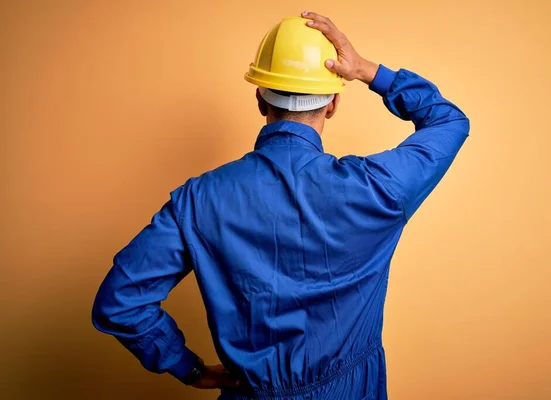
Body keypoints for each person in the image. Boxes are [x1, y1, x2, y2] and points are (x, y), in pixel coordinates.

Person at [92, 11, 469, 399]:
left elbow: (120, 301)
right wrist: (366, 70)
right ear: (333, 104)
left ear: (260, 99)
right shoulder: (377, 188)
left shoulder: (198, 200)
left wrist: (189, 368)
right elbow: (449, 122)